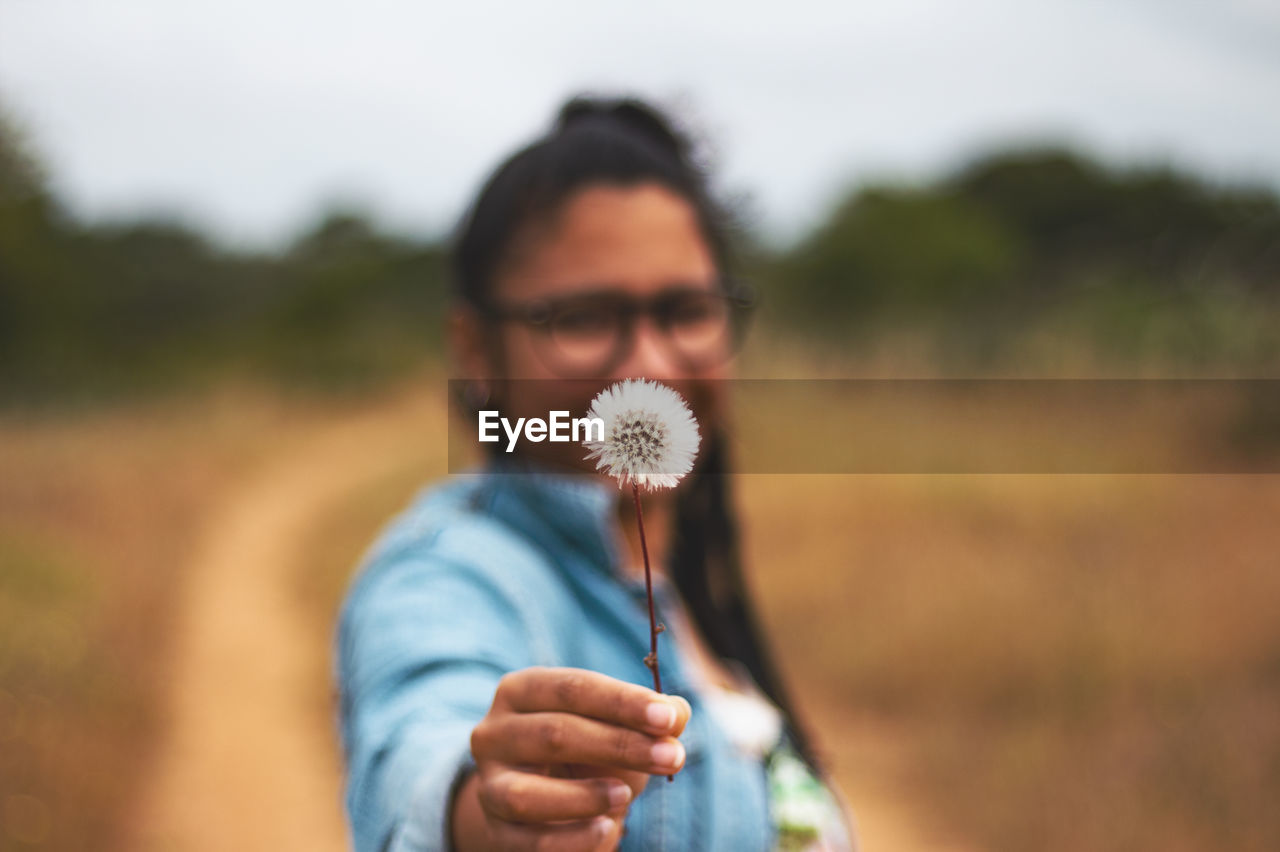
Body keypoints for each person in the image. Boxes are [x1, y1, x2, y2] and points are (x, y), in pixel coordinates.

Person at [335, 95, 857, 852]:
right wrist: (488, 805)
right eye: (583, 319)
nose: (650, 367)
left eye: (686, 310)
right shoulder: (448, 574)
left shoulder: (683, 587)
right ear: (476, 350)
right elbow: (423, 726)